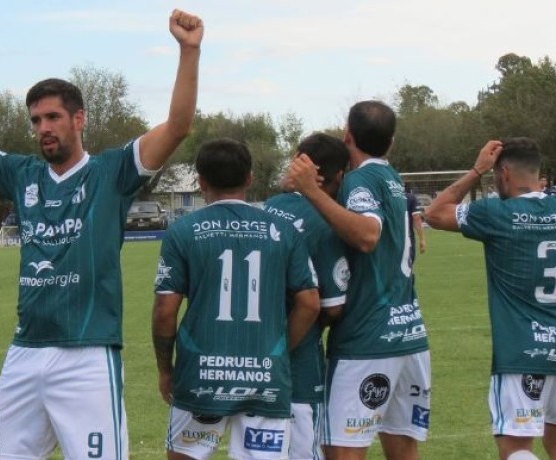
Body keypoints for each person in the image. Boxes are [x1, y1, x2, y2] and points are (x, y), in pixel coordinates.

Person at [0, 8, 203, 459]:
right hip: (25, 352)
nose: (43, 128)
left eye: (52, 117)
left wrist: (189, 51)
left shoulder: (111, 172)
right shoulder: (20, 173)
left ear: (78, 119)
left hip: (87, 355)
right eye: (36, 120)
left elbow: (177, 126)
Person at [152, 138, 321, 459]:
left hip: (200, 375)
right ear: (250, 179)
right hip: (265, 378)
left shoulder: (183, 230)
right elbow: (310, 303)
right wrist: (280, 348)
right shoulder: (283, 230)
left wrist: (165, 370)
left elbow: (165, 311)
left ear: (200, 182)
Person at [283, 101, 431, 460]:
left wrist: (312, 191)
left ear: (348, 134)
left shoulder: (360, 179)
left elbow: (367, 235)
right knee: (402, 450)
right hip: (409, 336)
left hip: (368, 341)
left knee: (342, 453)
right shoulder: (392, 178)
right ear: (391, 142)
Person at [425, 138, 556, 460]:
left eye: (495, 174)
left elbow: (434, 213)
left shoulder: (498, 214)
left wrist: (476, 170)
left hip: (521, 351)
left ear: (504, 173)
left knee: (515, 450)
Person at [263, 133, 351, 459]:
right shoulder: (326, 222)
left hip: (256, 362)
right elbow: (330, 307)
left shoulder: (270, 206)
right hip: (298, 368)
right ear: (338, 176)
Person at [406, 190, 426, 263]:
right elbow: (416, 218)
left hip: (390, 237)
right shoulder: (410, 197)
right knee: (407, 266)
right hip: (407, 238)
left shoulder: (387, 197)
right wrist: (422, 239)